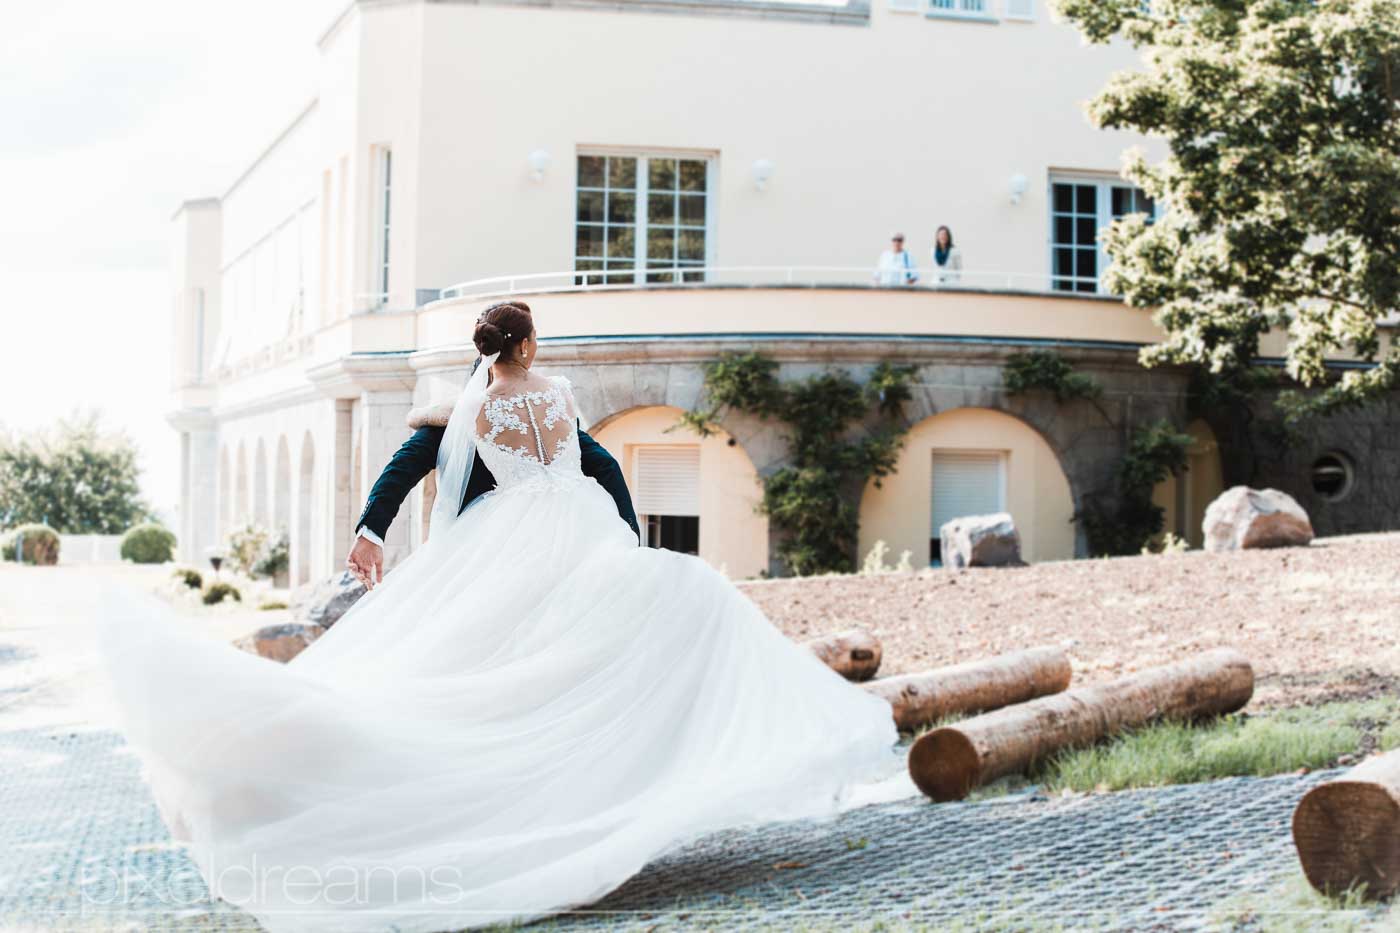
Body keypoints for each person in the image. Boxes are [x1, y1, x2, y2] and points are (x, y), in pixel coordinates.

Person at [100, 300, 901, 932]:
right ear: (525, 345)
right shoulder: (537, 399)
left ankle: (591, 791)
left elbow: (580, 460)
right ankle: (534, 799)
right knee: (512, 671)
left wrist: (620, 534)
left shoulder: (477, 407)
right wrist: (373, 528)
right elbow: (511, 461)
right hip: (563, 534)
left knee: (568, 662)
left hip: (518, 539)